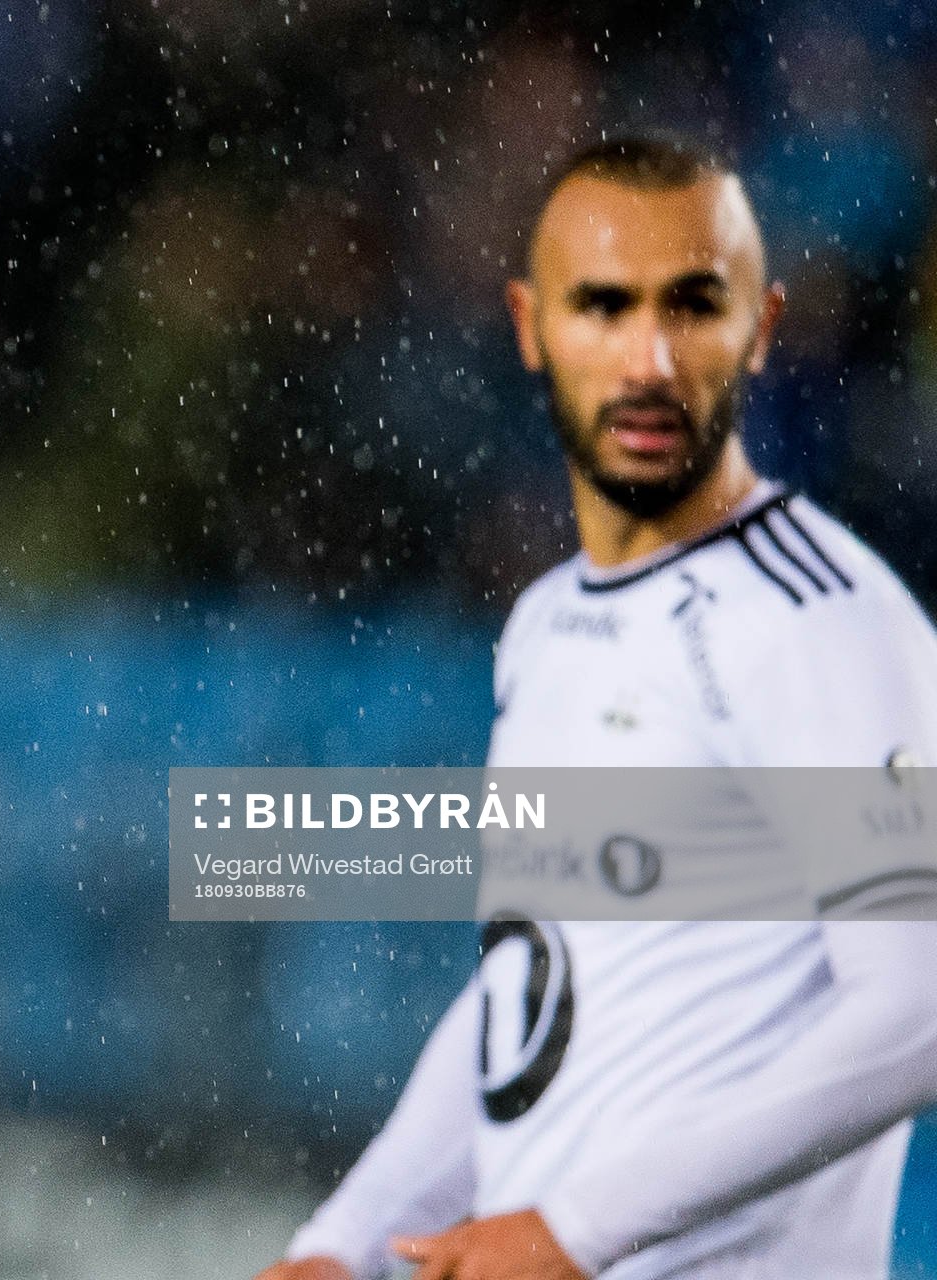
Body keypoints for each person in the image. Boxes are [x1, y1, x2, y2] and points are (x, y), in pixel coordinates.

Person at [257, 137, 937, 1279]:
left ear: (763, 326)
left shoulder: (820, 625)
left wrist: (579, 1227)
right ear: (532, 326)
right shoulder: (548, 623)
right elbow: (527, 993)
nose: (650, 359)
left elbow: (918, 1008)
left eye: (694, 306)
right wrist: (342, 1243)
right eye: (605, 306)